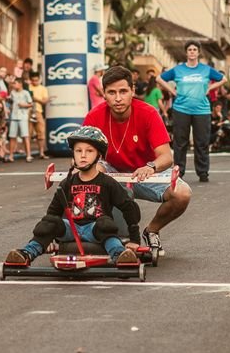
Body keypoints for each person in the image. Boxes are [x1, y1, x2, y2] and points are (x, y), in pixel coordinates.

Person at [82, 65, 191, 255]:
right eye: (112, 92)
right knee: (91, 171)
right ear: (104, 94)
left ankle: (152, 231)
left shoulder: (148, 113)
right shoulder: (94, 116)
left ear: (132, 91)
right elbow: (82, 155)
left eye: (123, 91)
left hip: (145, 171)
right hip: (113, 170)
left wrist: (151, 166)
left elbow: (166, 157)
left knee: (182, 194)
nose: (118, 98)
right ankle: (98, 235)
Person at [4, 126, 141, 267]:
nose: (83, 155)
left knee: (105, 224)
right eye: (78, 151)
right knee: (50, 222)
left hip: (95, 229)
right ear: (73, 155)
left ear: (99, 156)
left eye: (89, 151)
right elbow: (53, 212)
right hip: (71, 228)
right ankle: (26, 254)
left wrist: (135, 240)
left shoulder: (107, 183)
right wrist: (49, 239)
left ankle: (120, 255)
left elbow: (129, 208)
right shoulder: (67, 183)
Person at [159, 41, 224, 183]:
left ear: (199, 52)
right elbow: (160, 78)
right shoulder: (178, 69)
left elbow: (222, 79)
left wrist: (209, 89)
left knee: (202, 142)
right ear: (186, 52)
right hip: (181, 109)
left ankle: (203, 173)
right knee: (180, 142)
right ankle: (179, 171)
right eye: (190, 49)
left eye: (195, 49)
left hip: (202, 110)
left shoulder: (206, 69)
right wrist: (173, 91)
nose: (192, 52)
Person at [6, 77, 34, 162]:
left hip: (23, 117)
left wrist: (24, 105)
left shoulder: (26, 93)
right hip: (14, 116)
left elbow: (31, 104)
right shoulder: (12, 92)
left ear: (20, 84)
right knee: (12, 136)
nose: (14, 85)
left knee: (25, 136)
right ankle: (11, 156)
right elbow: (10, 102)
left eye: (15, 83)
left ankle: (28, 155)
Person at [29, 70, 48, 157]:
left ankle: (41, 153)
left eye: (36, 80)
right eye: (33, 80)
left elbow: (45, 101)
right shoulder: (28, 87)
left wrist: (35, 99)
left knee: (41, 133)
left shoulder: (43, 88)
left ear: (39, 79)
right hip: (28, 111)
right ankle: (28, 154)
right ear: (30, 80)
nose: (35, 82)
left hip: (38, 112)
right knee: (28, 133)